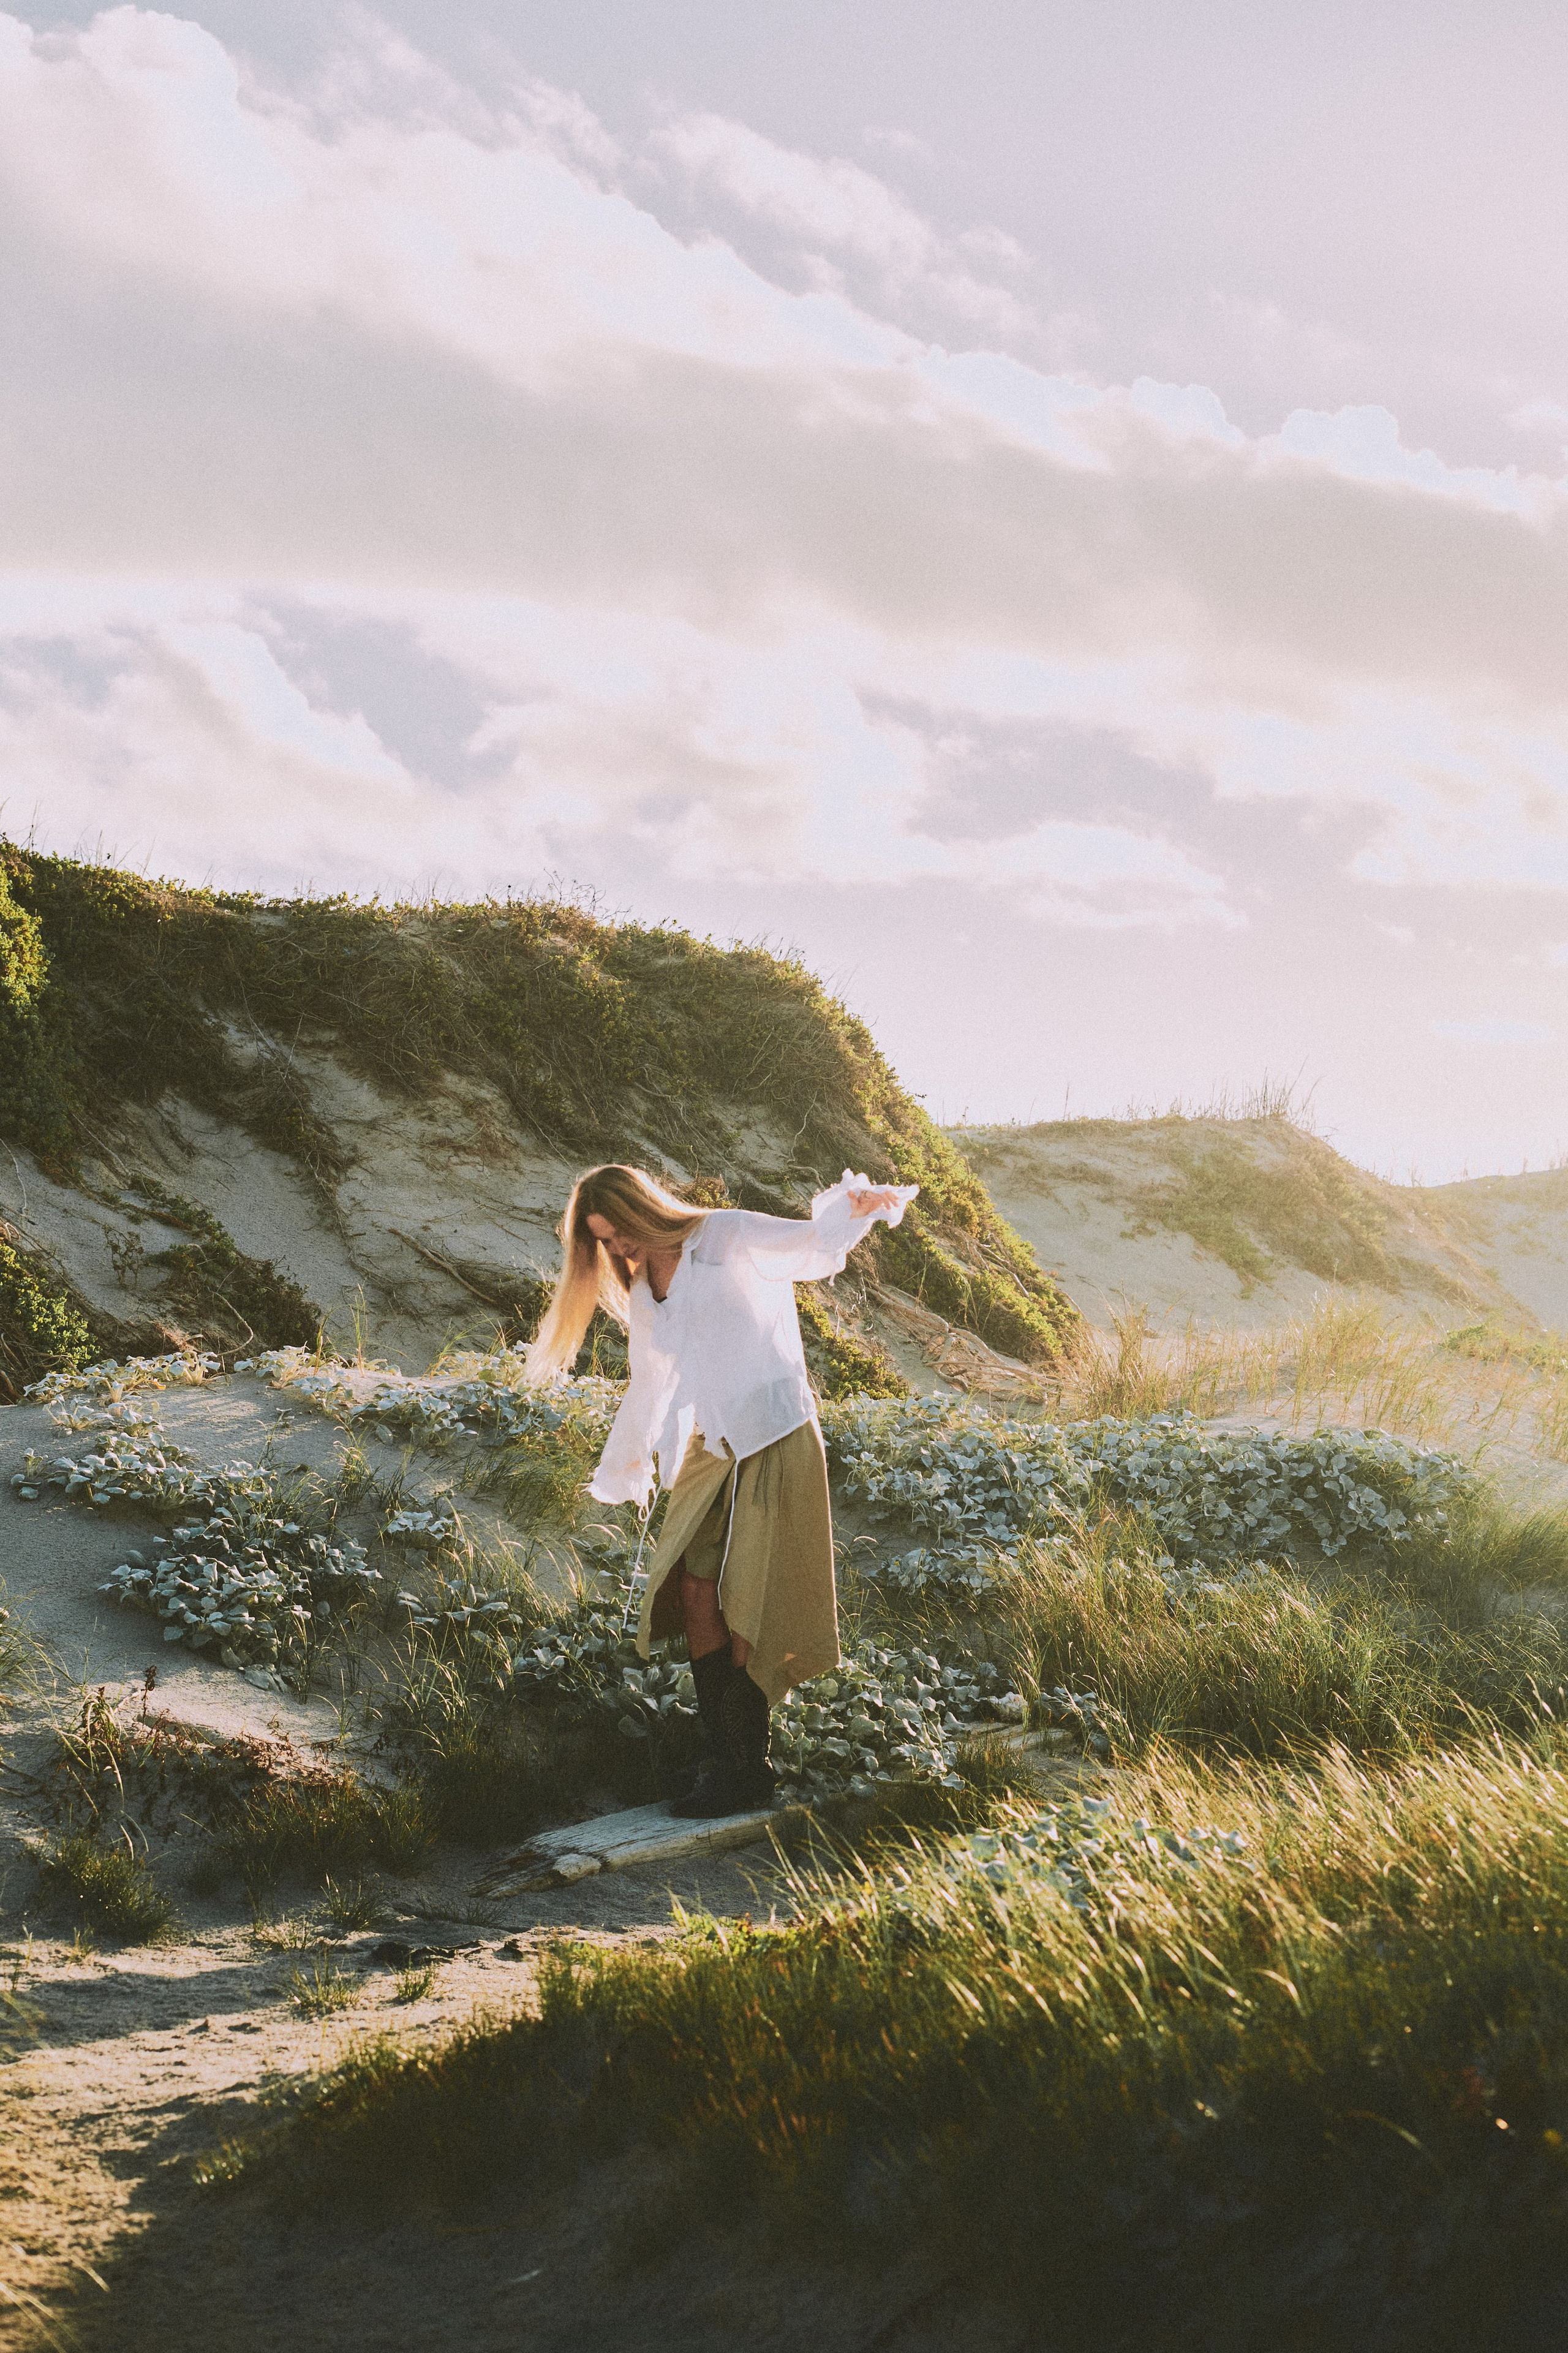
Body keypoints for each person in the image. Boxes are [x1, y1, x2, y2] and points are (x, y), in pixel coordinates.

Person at [526, 1162, 916, 1816]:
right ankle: (727, 1752)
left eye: (620, 1230)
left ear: (643, 1208)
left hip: (773, 1430)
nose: (618, 1247)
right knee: (690, 1588)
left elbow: (809, 1247)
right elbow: (651, 1381)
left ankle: (743, 1768)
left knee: (745, 1602)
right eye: (603, 1241)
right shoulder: (646, 1290)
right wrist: (633, 1462)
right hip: (713, 1445)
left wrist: (855, 1207)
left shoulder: (724, 1235)